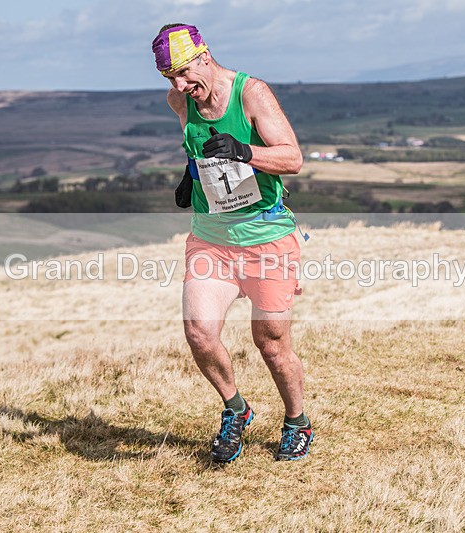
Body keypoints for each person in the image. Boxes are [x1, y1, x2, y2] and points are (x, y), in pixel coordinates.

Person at [151, 23, 313, 462]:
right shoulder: (179, 100)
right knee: (199, 333)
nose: (179, 86)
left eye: (184, 73)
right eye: (169, 77)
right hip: (211, 238)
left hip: (265, 237)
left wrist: (246, 152)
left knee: (271, 343)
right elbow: (195, 146)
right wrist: (189, 175)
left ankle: (297, 421)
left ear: (204, 56)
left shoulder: (251, 93)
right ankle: (236, 410)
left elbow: (293, 158)